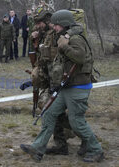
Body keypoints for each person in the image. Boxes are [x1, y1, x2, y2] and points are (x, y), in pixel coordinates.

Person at [20, 10, 104, 163]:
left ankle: (96, 149)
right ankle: (37, 148)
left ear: (64, 24)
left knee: (77, 122)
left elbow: (79, 57)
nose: (55, 27)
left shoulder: (76, 38)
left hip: (78, 87)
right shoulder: (61, 37)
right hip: (65, 87)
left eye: (57, 25)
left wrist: (65, 47)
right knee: (49, 113)